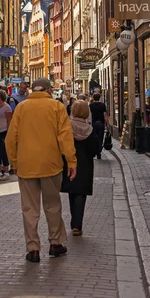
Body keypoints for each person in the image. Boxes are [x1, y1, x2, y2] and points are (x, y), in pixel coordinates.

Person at [6, 77, 77, 264]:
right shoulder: (56, 107)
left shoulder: (21, 108)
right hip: (51, 164)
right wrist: (71, 161)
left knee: (30, 208)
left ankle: (33, 248)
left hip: (26, 165)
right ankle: (55, 243)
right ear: (48, 90)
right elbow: (65, 137)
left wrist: (15, 162)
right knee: (52, 205)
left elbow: (10, 139)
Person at [61, 100, 98, 236]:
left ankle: (74, 222)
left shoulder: (67, 127)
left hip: (70, 164)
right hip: (85, 166)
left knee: (72, 192)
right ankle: (77, 224)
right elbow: (95, 150)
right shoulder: (90, 130)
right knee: (81, 194)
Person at [89, 93, 109, 159]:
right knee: (100, 138)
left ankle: (96, 151)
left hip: (94, 124)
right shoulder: (102, 105)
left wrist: (89, 124)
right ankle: (99, 152)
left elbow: (89, 116)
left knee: (94, 138)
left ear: (93, 98)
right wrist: (107, 124)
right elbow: (105, 115)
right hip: (101, 124)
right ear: (99, 98)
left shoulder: (91, 105)